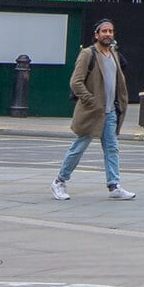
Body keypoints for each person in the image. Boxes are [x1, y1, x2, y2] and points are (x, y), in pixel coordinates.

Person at [53, 19, 134, 201]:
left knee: (112, 148)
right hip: (93, 112)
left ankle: (114, 185)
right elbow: (76, 82)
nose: (108, 34)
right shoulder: (88, 54)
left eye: (110, 31)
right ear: (96, 35)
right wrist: (91, 100)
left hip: (109, 112)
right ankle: (59, 182)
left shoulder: (113, 54)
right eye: (104, 31)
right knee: (79, 147)